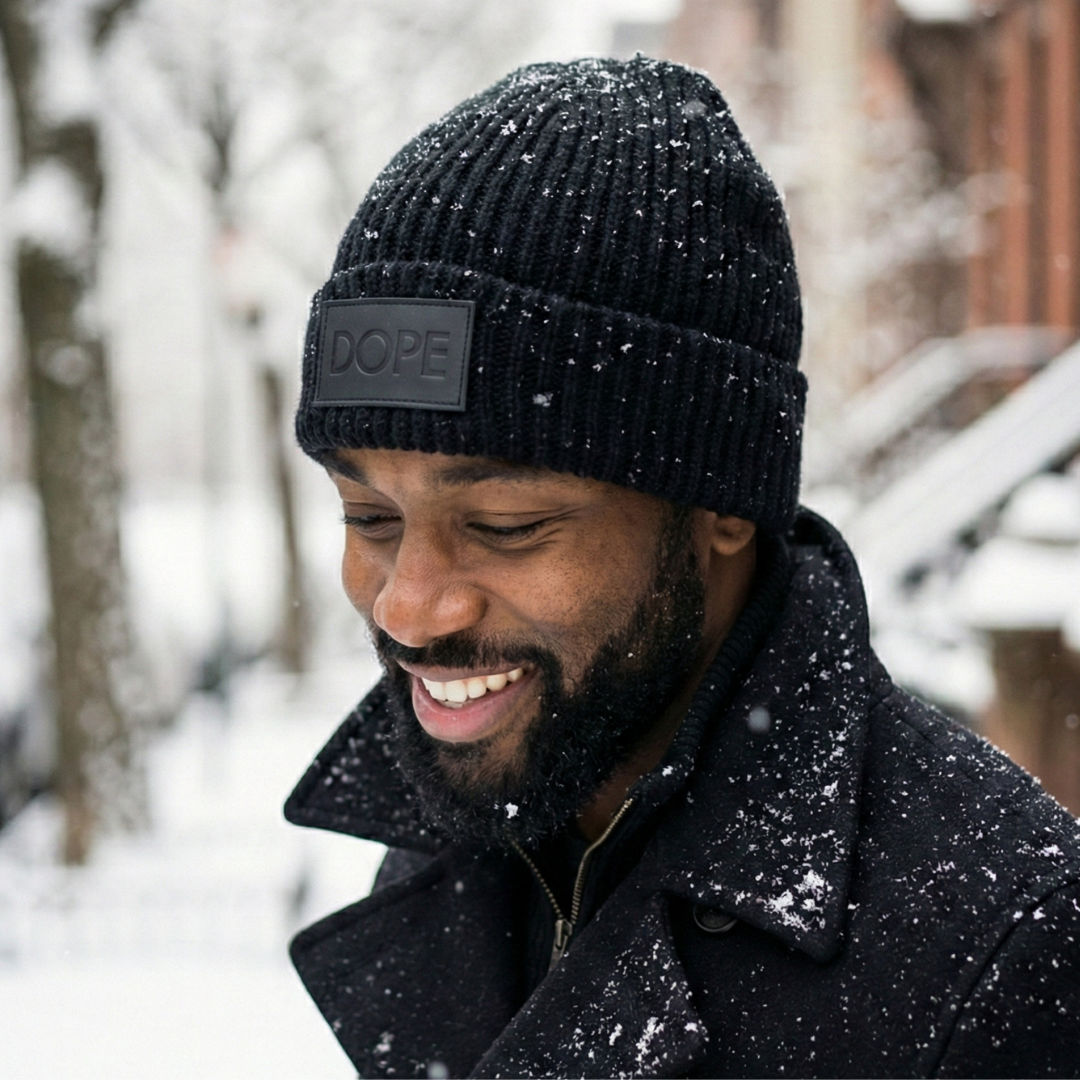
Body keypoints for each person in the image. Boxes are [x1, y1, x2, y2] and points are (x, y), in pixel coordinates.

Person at [285, 57, 1080, 1079]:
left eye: (507, 524)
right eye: (370, 516)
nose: (410, 607)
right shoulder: (485, 817)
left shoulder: (1004, 951)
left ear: (719, 506)